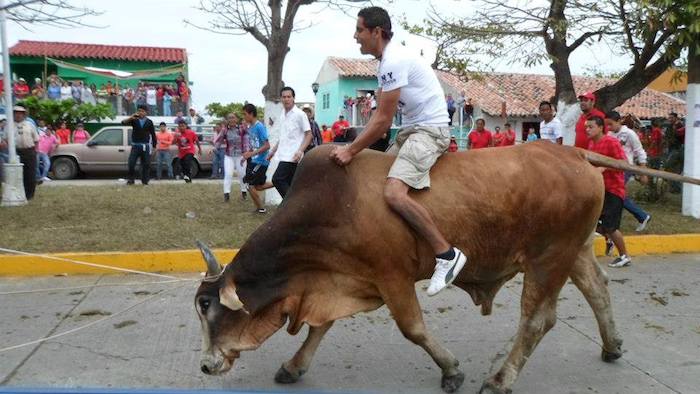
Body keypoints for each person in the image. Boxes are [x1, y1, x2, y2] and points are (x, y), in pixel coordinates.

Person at [330, 6, 467, 296]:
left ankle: (446, 255)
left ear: (377, 32)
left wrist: (350, 151)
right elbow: (380, 115)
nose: (355, 37)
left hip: (430, 132)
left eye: (359, 30)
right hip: (412, 131)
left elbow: (382, 122)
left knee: (393, 192)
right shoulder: (385, 63)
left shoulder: (393, 60)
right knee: (373, 182)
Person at [585, 116, 631, 268]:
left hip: (614, 189)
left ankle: (625, 256)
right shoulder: (591, 144)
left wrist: (605, 167)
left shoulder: (611, 142)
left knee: (611, 226)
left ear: (600, 128)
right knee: (593, 222)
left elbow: (624, 163)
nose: (587, 130)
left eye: (591, 127)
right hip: (599, 189)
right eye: (586, 127)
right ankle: (609, 241)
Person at [605, 111, 651, 233]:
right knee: (616, 195)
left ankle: (610, 223)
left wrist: (643, 172)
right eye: (607, 125)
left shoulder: (629, 134)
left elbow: (639, 152)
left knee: (615, 195)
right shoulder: (609, 134)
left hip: (625, 168)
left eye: (611, 124)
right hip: (612, 169)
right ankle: (642, 216)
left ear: (619, 121)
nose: (609, 127)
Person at [266, 86, 312, 198]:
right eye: (284, 97)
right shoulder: (282, 115)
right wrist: (272, 151)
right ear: (281, 99)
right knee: (291, 184)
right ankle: (295, 208)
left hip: (293, 156)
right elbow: (282, 137)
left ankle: (290, 205)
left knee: (277, 179)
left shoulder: (300, 114)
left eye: (289, 97)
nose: (286, 99)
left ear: (293, 98)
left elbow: (309, 135)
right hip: (283, 154)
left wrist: (300, 151)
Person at [241, 104, 272, 212]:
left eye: (245, 114)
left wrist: (252, 154)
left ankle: (261, 209)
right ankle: (279, 182)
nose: (244, 117)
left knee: (250, 185)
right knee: (258, 186)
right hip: (254, 160)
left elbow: (267, 145)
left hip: (261, 161)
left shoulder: (259, 127)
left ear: (251, 114)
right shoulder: (251, 128)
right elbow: (255, 145)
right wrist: (246, 156)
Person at [121, 105, 157, 185]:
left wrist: (154, 146)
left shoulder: (149, 122)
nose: (140, 112)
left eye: (142, 111)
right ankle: (131, 180)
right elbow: (123, 123)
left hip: (145, 146)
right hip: (135, 146)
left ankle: (145, 181)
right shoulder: (134, 120)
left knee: (146, 164)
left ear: (146, 112)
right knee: (131, 163)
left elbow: (153, 135)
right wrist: (131, 117)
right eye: (139, 111)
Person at [218, 113, 249, 202]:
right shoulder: (225, 131)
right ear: (227, 120)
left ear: (236, 119)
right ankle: (226, 194)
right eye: (229, 118)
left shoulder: (242, 129)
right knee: (228, 174)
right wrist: (214, 148)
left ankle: (244, 192)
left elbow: (247, 140)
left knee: (242, 174)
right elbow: (219, 141)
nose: (231, 120)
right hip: (229, 156)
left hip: (240, 156)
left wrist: (246, 153)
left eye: (233, 118)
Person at [11, 106, 39, 199]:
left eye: (20, 113)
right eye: (16, 113)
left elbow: (36, 139)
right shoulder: (10, 125)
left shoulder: (29, 124)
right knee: (18, 174)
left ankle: (30, 195)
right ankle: (19, 193)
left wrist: (36, 151)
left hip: (30, 151)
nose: (18, 115)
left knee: (30, 173)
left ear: (24, 115)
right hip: (17, 152)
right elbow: (5, 139)